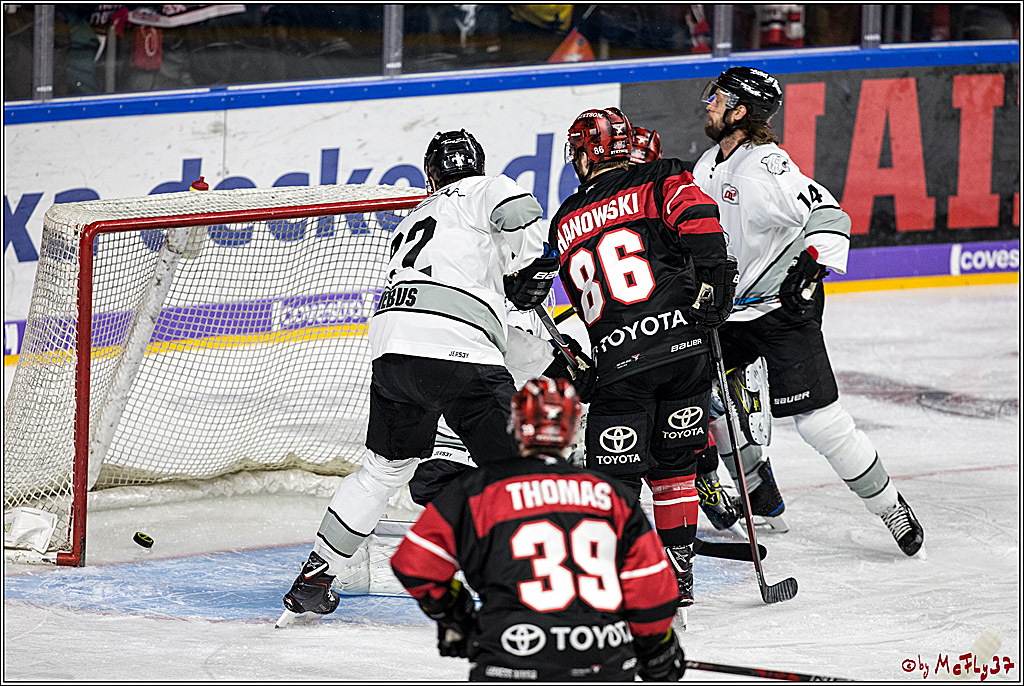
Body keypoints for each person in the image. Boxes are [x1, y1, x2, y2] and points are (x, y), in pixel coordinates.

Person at [279, 129, 574, 623]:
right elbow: (520, 210)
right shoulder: (484, 188)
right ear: (476, 165)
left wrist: (513, 280)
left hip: (393, 351)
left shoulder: (413, 217)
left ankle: (318, 574)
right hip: (457, 347)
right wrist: (530, 264)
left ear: (431, 175)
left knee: (383, 469)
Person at [692, 66, 924, 555]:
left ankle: (888, 505)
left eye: (720, 97)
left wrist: (810, 268)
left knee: (820, 422)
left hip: (781, 310)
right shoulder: (708, 166)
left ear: (741, 112)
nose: (709, 102)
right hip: (731, 313)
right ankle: (759, 492)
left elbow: (829, 214)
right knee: (692, 394)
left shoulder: (768, 168)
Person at [550, 106, 736, 610]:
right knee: (675, 467)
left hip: (619, 363)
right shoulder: (662, 176)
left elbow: (569, 301)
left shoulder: (564, 220)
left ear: (585, 155)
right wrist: (715, 284)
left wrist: (573, 359)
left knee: (615, 480)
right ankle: (678, 574)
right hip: (683, 350)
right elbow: (701, 220)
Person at [391, 377, 685, 682]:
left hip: (511, 656)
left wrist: (457, 614)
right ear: (572, 430)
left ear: (516, 426)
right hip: (602, 660)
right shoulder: (612, 495)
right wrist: (656, 648)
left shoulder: (478, 491)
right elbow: (651, 587)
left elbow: (415, 564)